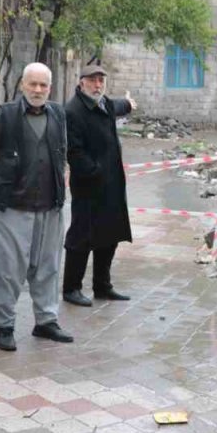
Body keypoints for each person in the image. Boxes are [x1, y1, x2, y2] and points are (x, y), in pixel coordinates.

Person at [0, 63, 74, 351]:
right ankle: (4, 326)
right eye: (32, 84)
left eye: (43, 85)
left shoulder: (58, 113)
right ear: (22, 85)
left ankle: (46, 321)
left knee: (48, 267)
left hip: (49, 206)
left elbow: (62, 153)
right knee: (5, 269)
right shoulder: (5, 115)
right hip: (11, 207)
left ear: (50, 88)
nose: (37, 90)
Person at [62, 64, 136, 306]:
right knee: (81, 237)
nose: (97, 85)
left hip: (111, 184)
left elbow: (117, 105)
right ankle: (71, 288)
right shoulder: (73, 111)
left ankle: (102, 286)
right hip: (88, 185)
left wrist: (129, 104)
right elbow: (74, 151)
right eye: (92, 80)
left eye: (101, 81)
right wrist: (94, 172)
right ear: (82, 82)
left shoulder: (103, 104)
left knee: (109, 233)